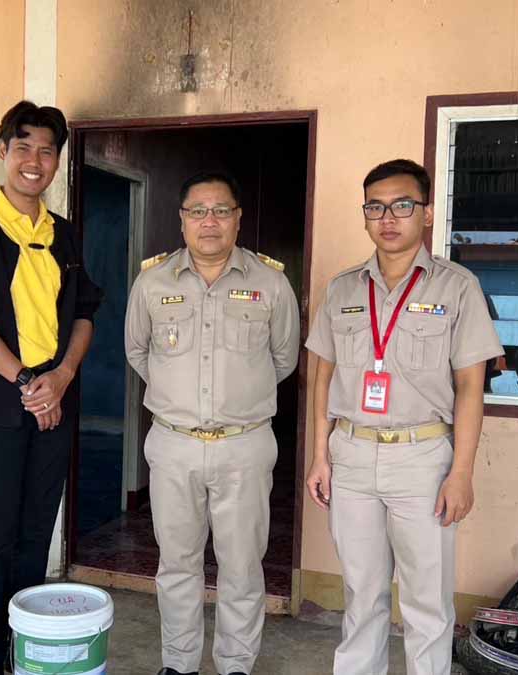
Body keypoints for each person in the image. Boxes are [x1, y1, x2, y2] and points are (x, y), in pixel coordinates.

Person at [304, 159, 503, 675]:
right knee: (361, 595)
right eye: (375, 207)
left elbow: (470, 387)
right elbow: (323, 377)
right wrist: (320, 455)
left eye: (402, 205)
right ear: (365, 215)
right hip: (351, 453)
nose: (388, 218)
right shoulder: (343, 289)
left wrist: (461, 472)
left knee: (426, 603)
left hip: (423, 457)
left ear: (427, 213)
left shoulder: (457, 287)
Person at [0, 100, 103, 675]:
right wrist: (29, 383)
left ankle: (23, 647)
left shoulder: (64, 234)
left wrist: (62, 377)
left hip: (53, 401)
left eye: (47, 151)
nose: (35, 160)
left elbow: (84, 312)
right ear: (3, 151)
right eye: (23, 147)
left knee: (36, 534)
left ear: (57, 161)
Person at [124, 172, 300, 675]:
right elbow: (138, 351)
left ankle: (235, 665)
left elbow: (283, 358)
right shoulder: (152, 282)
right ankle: (179, 664)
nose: (209, 221)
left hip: (244, 444)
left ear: (238, 219)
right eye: (198, 211)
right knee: (176, 562)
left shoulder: (270, 282)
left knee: (242, 564)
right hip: (173, 443)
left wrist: (236, 400)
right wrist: (178, 397)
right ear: (182, 220)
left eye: (221, 210)